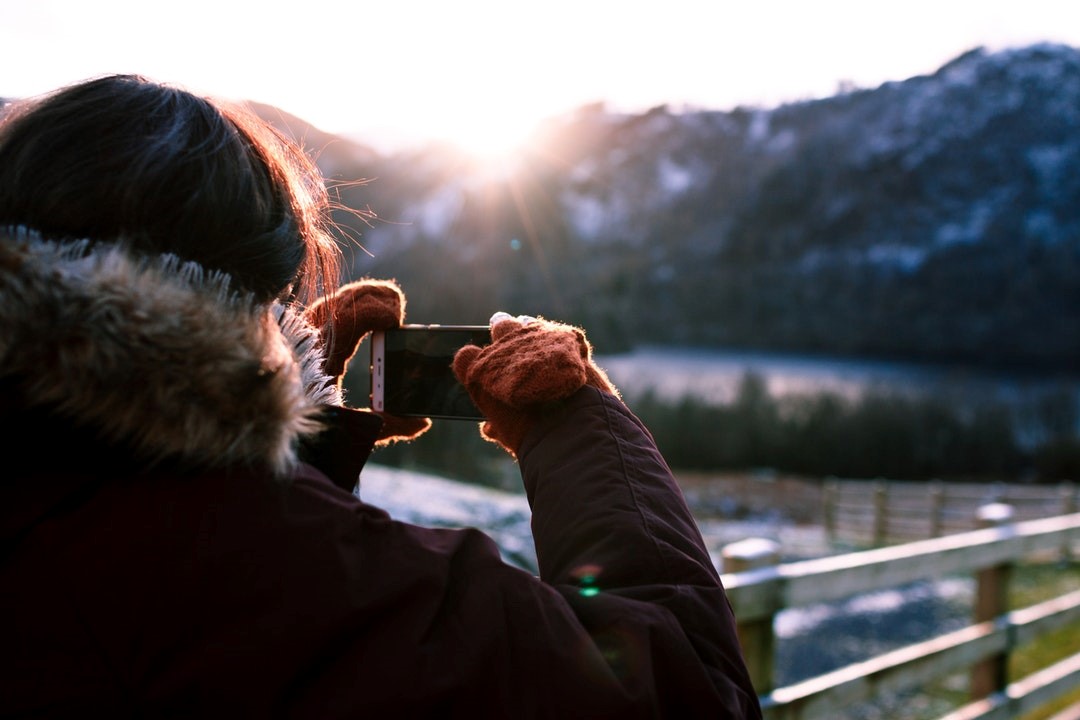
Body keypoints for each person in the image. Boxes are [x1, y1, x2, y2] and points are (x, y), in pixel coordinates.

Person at [0, 74, 761, 719]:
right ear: (257, 292)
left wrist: (284, 429)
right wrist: (578, 421)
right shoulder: (255, 554)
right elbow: (693, 690)